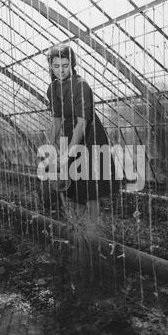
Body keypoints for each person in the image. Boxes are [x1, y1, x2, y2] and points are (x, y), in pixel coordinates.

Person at [46, 44, 119, 221]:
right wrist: (49, 145)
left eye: (65, 66)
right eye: (56, 66)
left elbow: (81, 123)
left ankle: (94, 230)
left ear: (72, 64)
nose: (61, 70)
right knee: (75, 187)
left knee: (90, 187)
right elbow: (57, 120)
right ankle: (80, 228)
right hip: (72, 134)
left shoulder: (80, 85)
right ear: (51, 66)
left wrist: (67, 156)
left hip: (90, 136)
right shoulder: (53, 88)